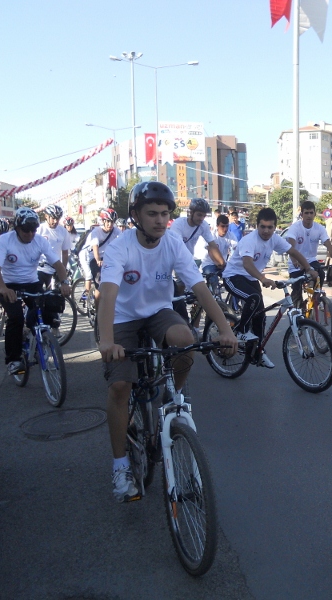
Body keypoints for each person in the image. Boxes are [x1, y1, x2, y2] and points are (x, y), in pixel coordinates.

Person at [97, 181, 237, 502]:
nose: (160, 220)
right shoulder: (121, 248)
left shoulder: (172, 243)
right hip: (122, 318)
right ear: (135, 215)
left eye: (164, 214)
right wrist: (107, 340)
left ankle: (170, 396)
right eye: (152, 214)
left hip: (158, 311)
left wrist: (225, 329)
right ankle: (120, 466)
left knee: (186, 342)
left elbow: (199, 287)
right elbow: (108, 295)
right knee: (120, 386)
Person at [222, 207, 317, 368]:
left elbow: (293, 251)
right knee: (254, 297)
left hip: (251, 278)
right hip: (233, 276)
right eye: (263, 227)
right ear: (257, 225)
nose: (266, 231)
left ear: (275, 227)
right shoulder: (249, 240)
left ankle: (257, 352)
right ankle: (242, 331)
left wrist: (309, 268)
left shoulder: (274, 239)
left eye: (270, 227)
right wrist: (263, 278)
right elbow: (247, 263)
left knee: (260, 316)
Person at [0, 207, 72, 375]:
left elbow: (57, 264)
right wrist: (3, 288)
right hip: (8, 284)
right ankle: (13, 359)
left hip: (31, 282)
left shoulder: (40, 241)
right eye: (26, 230)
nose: (30, 234)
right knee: (15, 318)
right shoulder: (5, 240)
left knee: (48, 311)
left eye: (33, 230)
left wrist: (64, 282)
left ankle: (35, 334)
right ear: (17, 228)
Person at [285, 200, 332, 308]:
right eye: (306, 213)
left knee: (320, 273)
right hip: (296, 263)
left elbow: (329, 245)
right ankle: (298, 314)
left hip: (311, 260)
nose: (309, 216)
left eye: (311, 213)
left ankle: (316, 297)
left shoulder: (319, 228)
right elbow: (290, 248)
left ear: (315, 214)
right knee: (296, 292)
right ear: (301, 214)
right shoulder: (295, 228)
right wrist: (296, 262)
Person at [80, 208, 121, 305]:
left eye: (112, 222)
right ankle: (98, 313)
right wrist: (98, 259)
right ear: (103, 221)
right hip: (93, 258)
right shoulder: (96, 232)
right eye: (108, 222)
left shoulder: (116, 231)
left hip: (107, 258)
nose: (110, 224)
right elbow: (95, 247)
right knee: (99, 281)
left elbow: (123, 244)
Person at [37, 205, 72, 289]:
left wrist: (63, 269)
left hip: (55, 268)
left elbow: (65, 253)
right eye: (53, 218)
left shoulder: (63, 231)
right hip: (40, 268)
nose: (56, 221)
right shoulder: (39, 229)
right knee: (37, 295)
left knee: (56, 297)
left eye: (58, 218)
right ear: (46, 216)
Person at [200, 214, 237, 292]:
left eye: (227, 226)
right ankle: (214, 300)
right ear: (217, 226)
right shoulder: (211, 235)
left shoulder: (230, 236)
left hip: (223, 264)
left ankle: (234, 302)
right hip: (210, 263)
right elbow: (210, 251)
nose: (225, 229)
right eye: (222, 226)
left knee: (235, 279)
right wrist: (218, 264)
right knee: (214, 280)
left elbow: (237, 249)